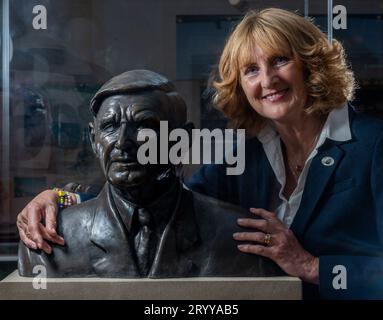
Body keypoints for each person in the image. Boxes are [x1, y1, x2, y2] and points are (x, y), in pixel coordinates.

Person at [17, 8, 383, 298]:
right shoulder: (249, 155)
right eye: (251, 70)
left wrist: (313, 266)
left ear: (311, 64)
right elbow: (164, 193)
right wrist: (62, 198)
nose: (267, 80)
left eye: (280, 61)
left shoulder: (374, 145)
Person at [18, 69, 282, 278]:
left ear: (182, 139)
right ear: (93, 139)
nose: (122, 142)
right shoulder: (47, 244)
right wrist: (59, 197)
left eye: (144, 125)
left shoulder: (239, 240)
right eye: (109, 126)